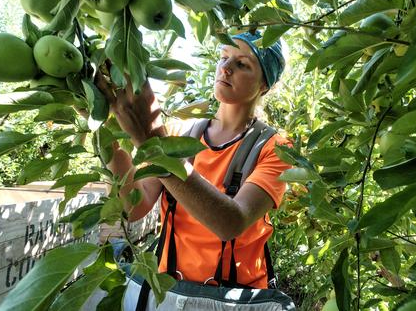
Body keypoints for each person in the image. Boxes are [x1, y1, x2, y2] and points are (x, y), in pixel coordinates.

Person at [97, 31, 291, 289]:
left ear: (264, 85)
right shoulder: (180, 134)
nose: (226, 68)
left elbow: (231, 222)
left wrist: (156, 148)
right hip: (173, 294)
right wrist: (106, 135)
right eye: (224, 58)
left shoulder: (274, 148)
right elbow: (133, 208)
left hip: (234, 300)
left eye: (242, 64)